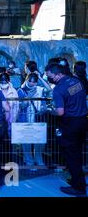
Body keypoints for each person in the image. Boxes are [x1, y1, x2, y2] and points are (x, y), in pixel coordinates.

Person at [45, 63, 87, 196]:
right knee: (78, 153)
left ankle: (78, 188)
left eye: (50, 76)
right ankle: (78, 180)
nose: (49, 78)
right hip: (83, 121)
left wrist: (50, 110)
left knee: (71, 155)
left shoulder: (58, 89)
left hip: (70, 124)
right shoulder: (76, 81)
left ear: (58, 74)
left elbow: (60, 112)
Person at [17, 73, 49, 168]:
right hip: (25, 119)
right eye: (30, 81)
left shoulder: (40, 89)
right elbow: (20, 106)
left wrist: (40, 77)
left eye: (34, 81)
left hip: (38, 118)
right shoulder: (21, 91)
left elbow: (49, 89)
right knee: (26, 141)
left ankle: (38, 159)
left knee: (39, 141)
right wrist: (27, 100)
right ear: (26, 80)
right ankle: (29, 161)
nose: (31, 83)